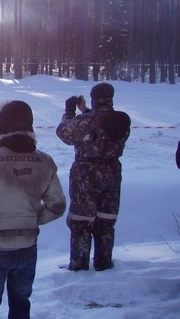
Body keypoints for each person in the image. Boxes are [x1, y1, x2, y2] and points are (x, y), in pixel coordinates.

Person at [0, 100, 66, 319]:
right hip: (28, 247)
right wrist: (32, 219)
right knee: (20, 304)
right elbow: (57, 206)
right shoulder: (45, 161)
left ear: (2, 125)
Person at [56, 82, 131, 271]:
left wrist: (70, 112)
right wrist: (85, 110)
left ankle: (79, 266)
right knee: (106, 221)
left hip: (85, 174)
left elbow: (64, 133)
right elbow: (101, 125)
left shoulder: (86, 122)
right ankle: (104, 264)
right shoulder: (121, 121)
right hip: (112, 173)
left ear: (93, 99)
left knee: (81, 222)